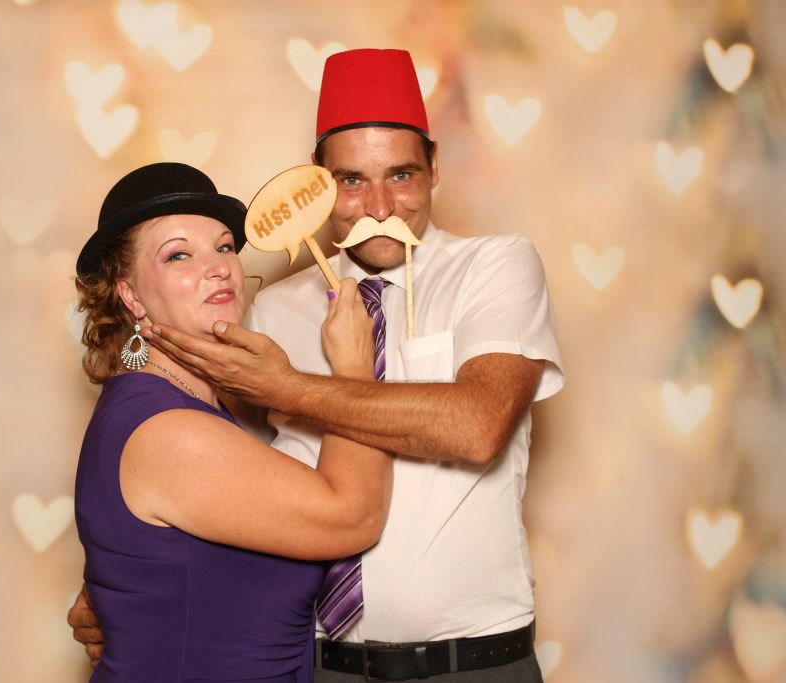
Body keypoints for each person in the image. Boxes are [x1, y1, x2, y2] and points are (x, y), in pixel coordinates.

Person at [71, 49, 564, 681]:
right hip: (322, 663)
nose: (380, 205)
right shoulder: (268, 310)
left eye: (402, 175)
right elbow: (218, 473)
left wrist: (292, 387)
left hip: (470, 665)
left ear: (435, 168)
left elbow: (477, 426)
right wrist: (120, 579)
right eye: (352, 181)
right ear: (319, 182)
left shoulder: (494, 268)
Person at [71, 161, 393, 682]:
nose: (219, 267)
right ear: (129, 294)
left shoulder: (190, 410)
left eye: (224, 247)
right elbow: (353, 517)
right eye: (179, 254)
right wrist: (355, 369)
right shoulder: (168, 431)